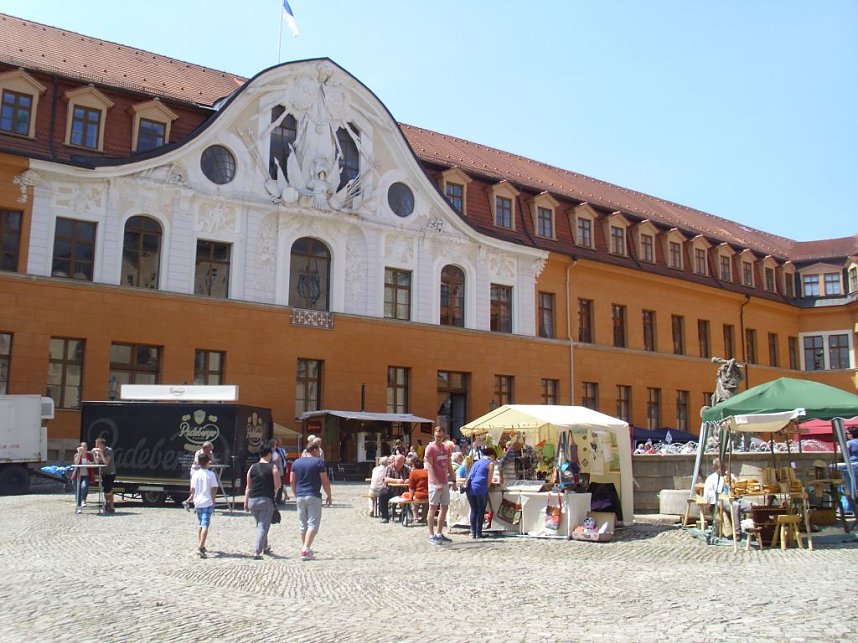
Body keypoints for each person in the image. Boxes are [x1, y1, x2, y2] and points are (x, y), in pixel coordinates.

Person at [290, 441, 333, 560]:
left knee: (303, 524)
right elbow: (325, 481)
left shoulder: (296, 462)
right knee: (313, 523)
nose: (319, 453)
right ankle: (306, 549)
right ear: (314, 450)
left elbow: (292, 480)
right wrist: (329, 495)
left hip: (300, 495)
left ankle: (306, 548)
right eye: (319, 450)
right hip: (313, 495)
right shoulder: (319, 462)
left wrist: (295, 493)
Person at [244, 445, 281, 559]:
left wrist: (245, 502)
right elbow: (278, 485)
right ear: (269, 454)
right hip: (266, 500)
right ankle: (257, 551)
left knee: (260, 524)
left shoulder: (252, 467)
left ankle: (264, 546)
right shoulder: (273, 467)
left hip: (252, 500)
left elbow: (248, 487)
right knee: (262, 526)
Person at [425, 426, 456, 545]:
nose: (439, 438)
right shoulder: (430, 448)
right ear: (434, 435)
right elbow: (430, 466)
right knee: (433, 507)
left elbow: (449, 464)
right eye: (437, 436)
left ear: (444, 436)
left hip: (444, 481)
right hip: (434, 483)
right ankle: (431, 534)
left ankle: (439, 532)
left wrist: (453, 478)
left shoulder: (446, 448)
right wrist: (436, 482)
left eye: (441, 436)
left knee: (445, 506)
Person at [186, 453, 218, 558]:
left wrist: (191, 499)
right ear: (208, 462)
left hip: (198, 502)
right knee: (205, 525)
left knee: (200, 524)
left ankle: (201, 544)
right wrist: (213, 500)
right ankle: (200, 546)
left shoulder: (195, 474)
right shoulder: (211, 475)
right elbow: (214, 488)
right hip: (207, 502)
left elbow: (193, 490)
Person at [702, 457, 739, 539]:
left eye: (724, 467)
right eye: (721, 468)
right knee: (735, 506)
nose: (723, 470)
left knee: (752, 505)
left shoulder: (730, 476)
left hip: (734, 497)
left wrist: (732, 483)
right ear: (715, 468)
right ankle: (737, 532)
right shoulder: (711, 479)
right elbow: (708, 495)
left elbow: (737, 487)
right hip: (721, 501)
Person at [464, 447, 496, 539]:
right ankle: (479, 533)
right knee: (481, 510)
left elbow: (470, 474)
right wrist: (486, 488)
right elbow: (489, 480)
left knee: (474, 510)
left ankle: (473, 532)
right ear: (492, 455)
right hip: (481, 488)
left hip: (470, 488)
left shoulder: (477, 462)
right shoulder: (490, 463)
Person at [377, 453, 409, 523]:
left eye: (401, 461)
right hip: (390, 489)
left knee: (409, 495)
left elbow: (410, 478)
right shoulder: (390, 467)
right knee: (382, 494)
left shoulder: (406, 468)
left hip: (402, 490)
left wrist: (407, 480)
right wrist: (397, 481)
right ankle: (385, 517)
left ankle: (404, 515)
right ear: (394, 461)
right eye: (398, 461)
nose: (399, 463)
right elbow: (386, 479)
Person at [92, 437, 116, 513]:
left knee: (107, 490)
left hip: (110, 472)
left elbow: (106, 462)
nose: (96, 445)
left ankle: (108, 505)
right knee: (107, 490)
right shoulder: (98, 451)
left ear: (101, 444)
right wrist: (94, 454)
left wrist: (101, 453)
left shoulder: (109, 450)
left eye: (97, 443)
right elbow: (97, 462)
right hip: (103, 473)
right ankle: (109, 505)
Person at [71, 442, 96, 514]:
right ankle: (78, 507)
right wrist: (79, 453)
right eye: (83, 447)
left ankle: (84, 499)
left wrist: (92, 461)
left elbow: (95, 462)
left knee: (84, 487)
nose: (84, 448)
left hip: (86, 475)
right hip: (77, 475)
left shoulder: (89, 455)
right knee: (77, 491)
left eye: (85, 447)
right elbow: (76, 463)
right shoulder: (77, 454)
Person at [404, 458, 429, 523]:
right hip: (428, 495)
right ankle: (424, 517)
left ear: (414, 466)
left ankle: (415, 517)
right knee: (425, 505)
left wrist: (410, 497)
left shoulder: (413, 473)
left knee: (413, 504)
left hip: (418, 495)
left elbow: (411, 488)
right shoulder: (428, 472)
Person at [270, 438, 289, 504]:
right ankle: (277, 500)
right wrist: (277, 460)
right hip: (277, 470)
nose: (280, 443)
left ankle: (279, 499)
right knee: (278, 485)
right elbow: (273, 461)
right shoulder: (273, 451)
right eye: (277, 442)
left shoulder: (280, 450)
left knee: (280, 485)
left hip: (281, 469)